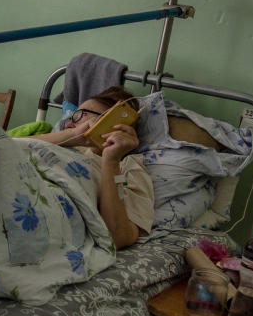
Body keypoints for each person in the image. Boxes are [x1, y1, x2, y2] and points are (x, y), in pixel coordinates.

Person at [21, 86, 154, 250]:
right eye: (72, 116)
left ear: (114, 124)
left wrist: (111, 161)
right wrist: (72, 136)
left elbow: (119, 237)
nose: (69, 122)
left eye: (79, 116)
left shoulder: (127, 167)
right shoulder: (53, 142)